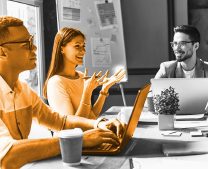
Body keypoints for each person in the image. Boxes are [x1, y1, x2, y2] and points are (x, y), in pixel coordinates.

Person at [0, 16, 125, 168]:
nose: (34, 48)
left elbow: (61, 121)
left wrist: (99, 123)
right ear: (2, 52)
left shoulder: (24, 90)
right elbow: (8, 156)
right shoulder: (55, 82)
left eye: (32, 41)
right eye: (26, 44)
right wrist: (80, 140)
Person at [43, 27, 126, 119]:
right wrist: (87, 92)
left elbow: (92, 117)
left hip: (89, 132)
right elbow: (71, 127)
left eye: (84, 46)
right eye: (77, 46)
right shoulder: (56, 83)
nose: (83, 51)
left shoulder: (81, 76)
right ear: (62, 49)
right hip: (77, 133)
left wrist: (104, 90)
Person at [155, 25, 208, 95]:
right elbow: (152, 96)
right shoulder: (166, 69)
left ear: (196, 46)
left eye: (182, 43)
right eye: (175, 43)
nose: (176, 48)